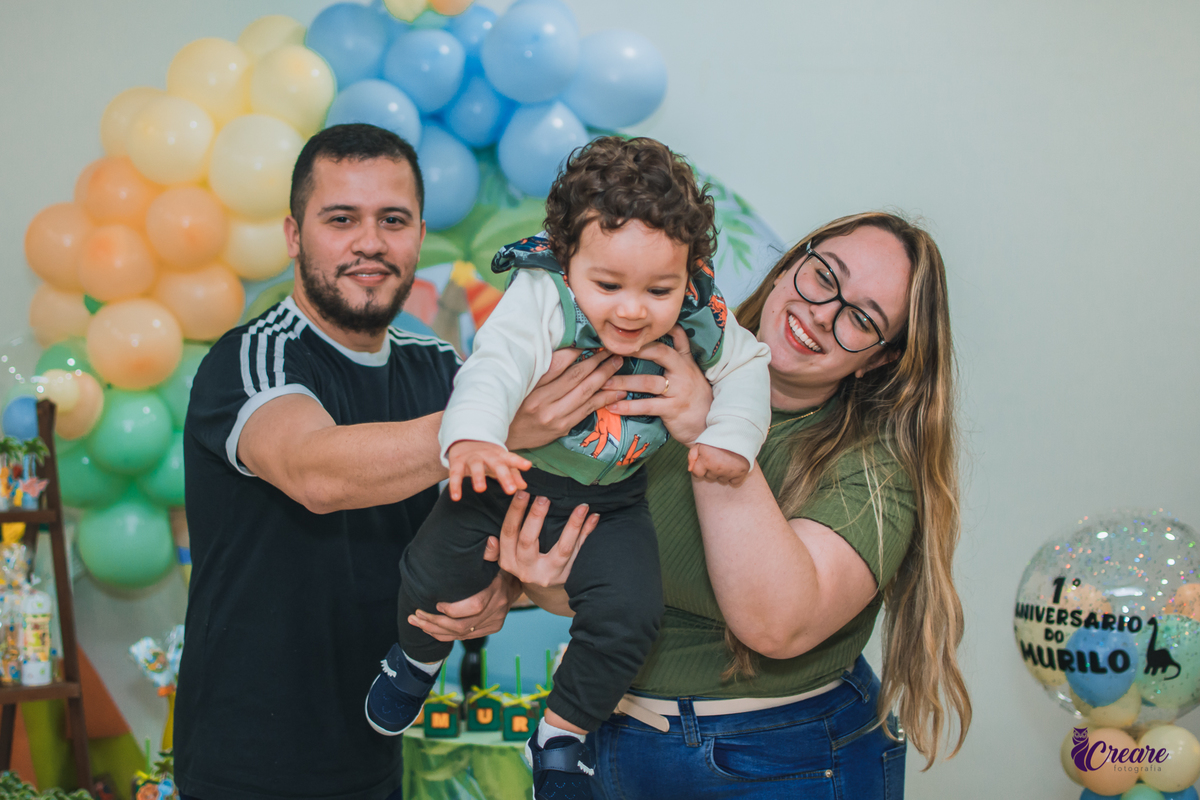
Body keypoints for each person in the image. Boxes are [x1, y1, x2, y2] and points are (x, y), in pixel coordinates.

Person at [428, 211, 972, 799]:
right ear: (792, 262)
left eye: (861, 318)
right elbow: (602, 583)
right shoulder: (650, 360)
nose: (823, 312)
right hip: (604, 743)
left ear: (882, 357)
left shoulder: (875, 468)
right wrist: (536, 581)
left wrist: (705, 427)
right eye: (823, 276)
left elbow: (777, 624)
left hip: (779, 761)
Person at [175, 123, 624, 800]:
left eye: (393, 219)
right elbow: (315, 472)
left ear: (418, 233)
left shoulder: (443, 368)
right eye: (341, 219)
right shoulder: (251, 357)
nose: (370, 243)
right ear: (295, 236)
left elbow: (507, 536)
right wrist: (489, 422)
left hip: (375, 754)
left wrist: (501, 591)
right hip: (245, 762)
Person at [364, 136, 771, 800]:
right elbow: (496, 365)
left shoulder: (702, 311)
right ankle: (414, 660)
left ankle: (561, 735)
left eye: (658, 289)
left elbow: (750, 368)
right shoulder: (542, 294)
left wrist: (729, 437)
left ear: (690, 270)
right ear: (567, 256)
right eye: (607, 285)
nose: (633, 309)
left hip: (614, 498)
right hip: (512, 473)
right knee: (434, 571)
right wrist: (472, 440)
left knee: (631, 615)